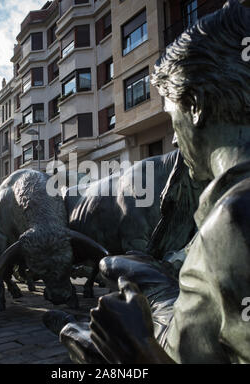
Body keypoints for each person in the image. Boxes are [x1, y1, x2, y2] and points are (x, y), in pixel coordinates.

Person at [45, 0, 250, 364]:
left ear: (197, 106)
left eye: (173, 117)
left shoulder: (236, 219)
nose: (174, 139)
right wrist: (160, 286)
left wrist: (135, 352)